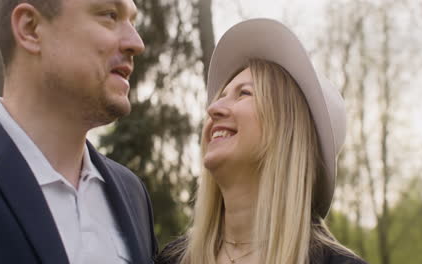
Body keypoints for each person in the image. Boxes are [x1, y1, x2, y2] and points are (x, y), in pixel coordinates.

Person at [155, 18, 367, 264]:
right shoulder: (172, 260)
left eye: (244, 93)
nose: (213, 108)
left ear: (288, 130)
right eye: (220, 96)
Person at [0, 0, 157, 263]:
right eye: (109, 15)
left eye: (133, 21)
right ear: (31, 28)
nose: (136, 42)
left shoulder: (133, 193)